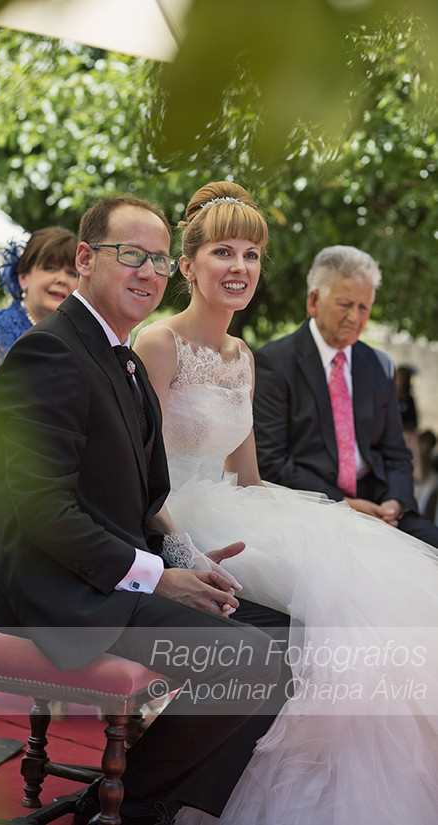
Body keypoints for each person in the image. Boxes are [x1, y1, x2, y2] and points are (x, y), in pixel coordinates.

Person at [0, 195, 292, 825]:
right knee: (251, 658)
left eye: (155, 259)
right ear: (88, 259)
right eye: (130, 256)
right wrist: (156, 576)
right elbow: (44, 512)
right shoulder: (51, 353)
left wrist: (187, 559)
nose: (147, 271)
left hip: (109, 575)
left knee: (286, 630)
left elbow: (147, 499)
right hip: (55, 592)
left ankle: (137, 801)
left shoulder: (119, 356)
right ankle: (137, 808)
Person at [133, 181, 438, 825]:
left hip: (235, 509)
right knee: (297, 634)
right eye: (223, 252)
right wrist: (178, 545)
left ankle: (226, 794)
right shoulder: (156, 345)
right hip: (169, 518)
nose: (239, 266)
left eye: (250, 253)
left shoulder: (242, 357)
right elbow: (138, 472)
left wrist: (336, 517)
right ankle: (155, 792)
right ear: (187, 266)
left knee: (357, 600)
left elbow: (248, 479)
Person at [253, 244, 438, 549]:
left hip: (380, 504)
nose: (355, 317)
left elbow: (396, 451)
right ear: (314, 301)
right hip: (312, 507)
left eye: (364, 307)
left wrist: (396, 500)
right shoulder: (274, 363)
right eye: (345, 304)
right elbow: (270, 461)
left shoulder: (379, 365)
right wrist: (344, 504)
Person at [0, 227, 78, 568]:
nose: (62, 279)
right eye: (51, 268)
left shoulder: (72, 336)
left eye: (72, 272)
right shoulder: (1, 332)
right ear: (23, 277)